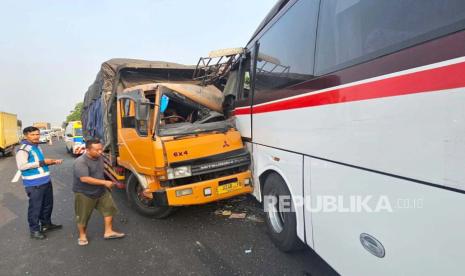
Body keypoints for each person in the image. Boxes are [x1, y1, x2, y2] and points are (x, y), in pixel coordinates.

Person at [73, 138, 125, 246]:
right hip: (84, 193)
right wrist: (104, 183)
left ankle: (109, 232)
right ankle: (82, 236)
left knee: (109, 209)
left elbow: (101, 170)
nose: (100, 152)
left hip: (101, 191)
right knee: (83, 216)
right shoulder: (80, 162)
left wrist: (109, 182)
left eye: (101, 149)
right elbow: (84, 179)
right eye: (97, 150)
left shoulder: (99, 157)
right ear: (87, 150)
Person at [16, 126, 63, 240]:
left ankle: (46, 224)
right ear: (26, 136)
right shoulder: (24, 149)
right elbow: (22, 166)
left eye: (37, 134)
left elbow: (38, 161)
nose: (36, 136)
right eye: (33, 135)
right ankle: (35, 230)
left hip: (45, 181)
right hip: (34, 184)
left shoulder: (37, 147)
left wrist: (51, 162)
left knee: (47, 205)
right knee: (35, 208)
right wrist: (42, 162)